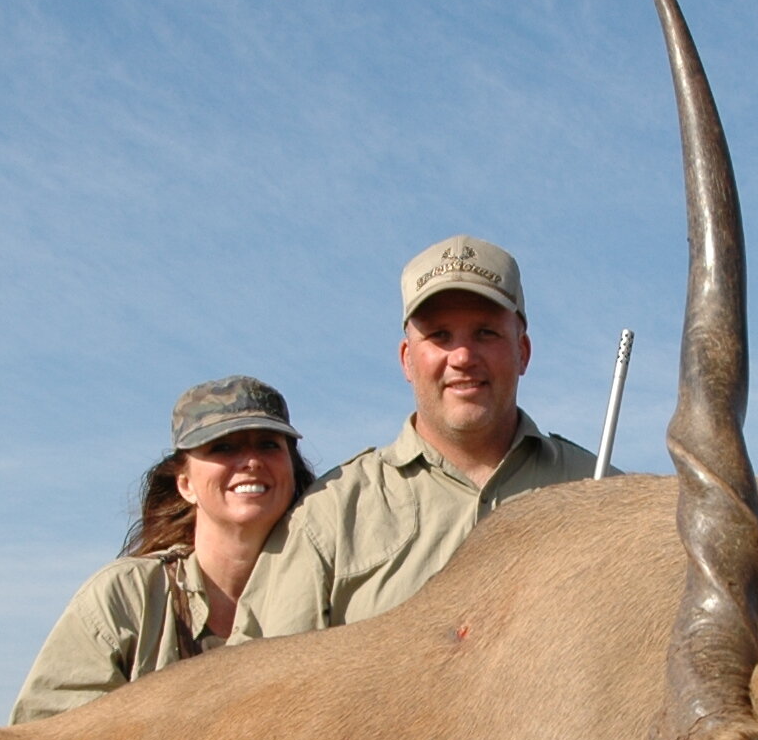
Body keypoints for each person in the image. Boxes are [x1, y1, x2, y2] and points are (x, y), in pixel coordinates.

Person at [239, 236, 596, 633]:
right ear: (407, 359)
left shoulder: (602, 492)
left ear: (523, 352)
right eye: (440, 336)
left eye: (486, 333)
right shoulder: (330, 515)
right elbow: (253, 683)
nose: (462, 357)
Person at [10, 376, 311, 722]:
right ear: (185, 484)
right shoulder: (125, 595)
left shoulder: (329, 589)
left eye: (269, 445)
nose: (251, 461)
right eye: (223, 448)